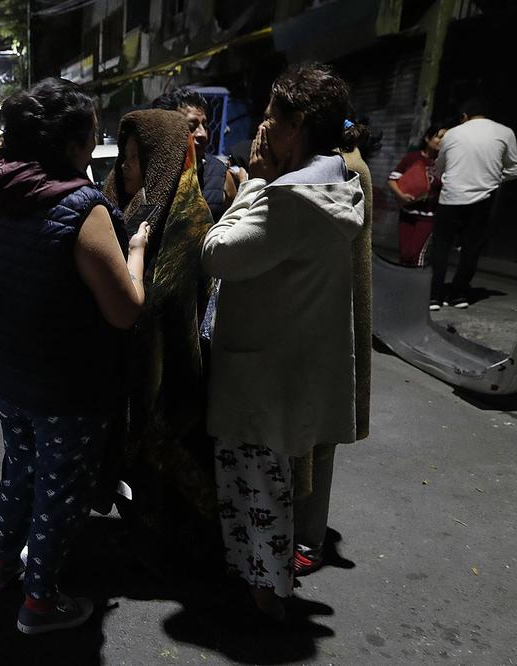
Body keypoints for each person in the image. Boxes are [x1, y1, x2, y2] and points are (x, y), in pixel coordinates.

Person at [0, 77, 149, 634]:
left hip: (7, 369)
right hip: (67, 383)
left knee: (17, 470)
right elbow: (124, 309)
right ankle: (40, 602)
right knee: (59, 491)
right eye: (91, 137)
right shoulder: (80, 205)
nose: (95, 149)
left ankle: (2, 566)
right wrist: (136, 249)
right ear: (69, 143)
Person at [201, 65, 364, 620]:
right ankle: (260, 590)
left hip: (261, 380)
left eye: (272, 116)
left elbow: (217, 252)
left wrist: (249, 184)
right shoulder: (334, 183)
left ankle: (266, 604)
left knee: (256, 495)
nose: (263, 126)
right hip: (284, 370)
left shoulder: (288, 199)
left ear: (296, 125)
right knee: (267, 489)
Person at [101, 109, 217, 574]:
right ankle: (145, 536)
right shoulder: (127, 210)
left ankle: (169, 550)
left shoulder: (191, 219)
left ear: (160, 160)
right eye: (124, 157)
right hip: (132, 370)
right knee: (139, 470)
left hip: (172, 372)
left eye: (134, 158)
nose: (124, 168)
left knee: (168, 465)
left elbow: (168, 302)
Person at [292, 119, 375, 577]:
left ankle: (308, 538)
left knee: (317, 439)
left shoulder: (342, 171)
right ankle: (300, 533)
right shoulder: (332, 168)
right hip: (323, 318)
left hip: (327, 321)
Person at [431, 98, 517, 309]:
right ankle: (458, 295)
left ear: (464, 116)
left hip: (450, 198)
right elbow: (514, 169)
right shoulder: (505, 132)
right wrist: (494, 178)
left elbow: (440, 165)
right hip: (483, 199)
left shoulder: (452, 133)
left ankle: (434, 296)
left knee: (441, 247)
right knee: (471, 248)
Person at [152, 87, 246, 221]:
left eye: (205, 125)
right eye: (191, 127)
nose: (202, 134)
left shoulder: (221, 176)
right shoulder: (149, 173)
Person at [387, 125, 447, 267]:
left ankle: (413, 286)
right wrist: (401, 195)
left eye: (446, 138)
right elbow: (392, 179)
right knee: (404, 255)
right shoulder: (412, 158)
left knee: (415, 254)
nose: (443, 141)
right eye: (439, 136)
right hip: (407, 213)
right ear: (428, 138)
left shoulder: (445, 163)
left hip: (428, 217)